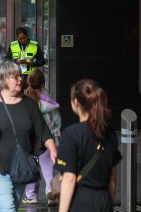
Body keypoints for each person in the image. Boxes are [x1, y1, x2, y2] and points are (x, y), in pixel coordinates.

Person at [0, 61, 56, 211]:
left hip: (20, 169)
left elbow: (43, 130)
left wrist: (53, 150)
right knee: (8, 209)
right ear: (3, 79)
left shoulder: (29, 104)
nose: (20, 79)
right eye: (15, 76)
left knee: (11, 208)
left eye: (20, 76)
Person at [56, 79, 121, 212]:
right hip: (104, 199)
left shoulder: (71, 134)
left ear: (75, 102)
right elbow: (112, 180)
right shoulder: (110, 133)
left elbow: (69, 178)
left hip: (81, 201)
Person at [22, 69, 61, 206]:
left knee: (31, 166)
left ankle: (31, 195)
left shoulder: (24, 99)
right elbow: (57, 121)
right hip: (47, 138)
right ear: (43, 83)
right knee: (48, 165)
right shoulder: (49, 101)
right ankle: (51, 191)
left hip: (30, 139)